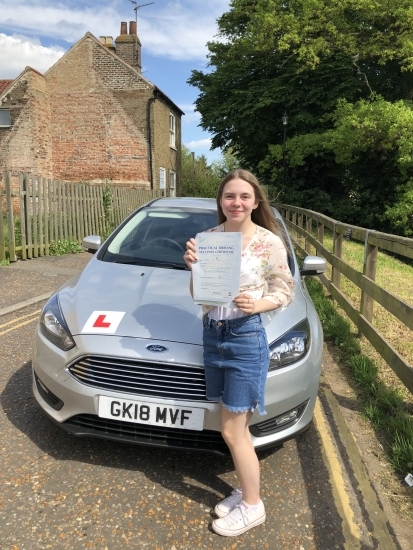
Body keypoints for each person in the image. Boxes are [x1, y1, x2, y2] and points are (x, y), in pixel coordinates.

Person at [183, 169, 295, 537]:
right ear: (220, 201)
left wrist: (258, 303)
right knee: (234, 427)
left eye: (244, 197)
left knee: (232, 430)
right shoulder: (208, 239)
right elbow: (199, 295)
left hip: (246, 338)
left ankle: (253, 506)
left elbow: (284, 290)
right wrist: (193, 270)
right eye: (230, 196)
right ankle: (247, 491)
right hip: (213, 333)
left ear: (256, 202)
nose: (237, 203)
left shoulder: (268, 243)